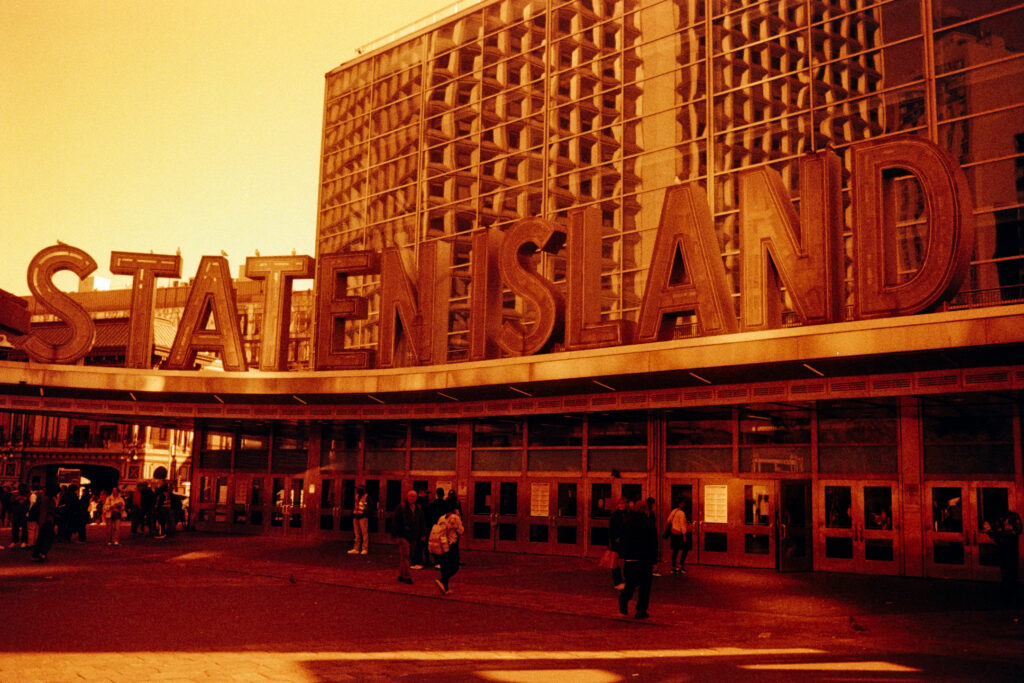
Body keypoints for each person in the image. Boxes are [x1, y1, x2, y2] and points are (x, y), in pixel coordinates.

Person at [618, 498, 658, 619]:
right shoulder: (649, 524)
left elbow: (622, 540)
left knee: (630, 583)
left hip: (630, 558)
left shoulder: (627, 522)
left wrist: (621, 556)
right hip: (644, 559)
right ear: (646, 510)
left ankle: (624, 598)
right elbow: (653, 543)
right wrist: (654, 561)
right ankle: (641, 610)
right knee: (645, 586)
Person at [984, 508, 1022, 600]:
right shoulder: (997, 518)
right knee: (1006, 570)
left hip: (1010, 547)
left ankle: (1011, 592)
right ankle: (1008, 592)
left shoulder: (1011, 516)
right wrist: (991, 531)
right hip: (1004, 547)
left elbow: (1017, 531)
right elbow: (992, 532)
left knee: (1010, 570)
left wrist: (996, 532)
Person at [392, 490, 424, 584]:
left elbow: (421, 521)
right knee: (406, 555)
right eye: (410, 496)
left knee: (406, 556)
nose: (411, 498)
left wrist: (423, 533)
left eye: (413, 496)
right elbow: (395, 520)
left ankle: (402, 575)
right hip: (403, 535)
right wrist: (396, 534)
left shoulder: (418, 508)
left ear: (416, 498)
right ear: (407, 497)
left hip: (414, 535)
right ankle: (406, 576)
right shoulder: (401, 507)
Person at [435, 500, 465, 595]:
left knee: (444, 565)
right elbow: (460, 531)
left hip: (442, 544)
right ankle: (443, 580)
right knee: (455, 566)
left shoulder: (441, 518)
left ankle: (445, 587)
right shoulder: (455, 518)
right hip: (452, 544)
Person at [31, 484, 59, 562]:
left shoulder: (46, 498)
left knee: (42, 537)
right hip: (46, 521)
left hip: (46, 521)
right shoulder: (47, 499)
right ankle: (41, 553)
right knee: (48, 537)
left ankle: (38, 554)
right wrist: (42, 522)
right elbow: (44, 511)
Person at [608, 498, 628, 589]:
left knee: (625, 562)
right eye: (620, 504)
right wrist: (614, 540)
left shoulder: (628, 514)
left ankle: (625, 580)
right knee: (615, 562)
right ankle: (617, 581)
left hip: (625, 541)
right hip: (617, 542)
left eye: (623, 504)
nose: (621, 505)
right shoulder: (615, 515)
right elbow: (611, 530)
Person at [666, 499, 690, 574]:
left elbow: (668, 520)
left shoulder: (674, 511)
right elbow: (682, 524)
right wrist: (684, 534)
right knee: (685, 549)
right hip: (679, 534)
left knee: (675, 550)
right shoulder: (681, 513)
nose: (683, 504)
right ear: (680, 504)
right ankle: (680, 565)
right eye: (682, 503)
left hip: (673, 532)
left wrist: (674, 525)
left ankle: (673, 567)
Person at [349, 485, 370, 554]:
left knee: (364, 533)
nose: (357, 490)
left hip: (363, 517)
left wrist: (365, 514)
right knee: (357, 534)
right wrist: (353, 514)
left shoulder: (367, 497)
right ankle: (356, 548)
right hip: (356, 517)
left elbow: (370, 507)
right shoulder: (356, 496)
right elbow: (354, 506)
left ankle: (365, 548)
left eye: (358, 489)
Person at [8, 483, 30, 549]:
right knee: (15, 528)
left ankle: (24, 541)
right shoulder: (15, 495)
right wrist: (16, 500)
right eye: (21, 488)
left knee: (25, 528)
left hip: (24, 514)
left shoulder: (28, 495)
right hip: (16, 514)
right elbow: (11, 503)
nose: (22, 489)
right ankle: (14, 541)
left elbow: (30, 504)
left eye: (23, 488)